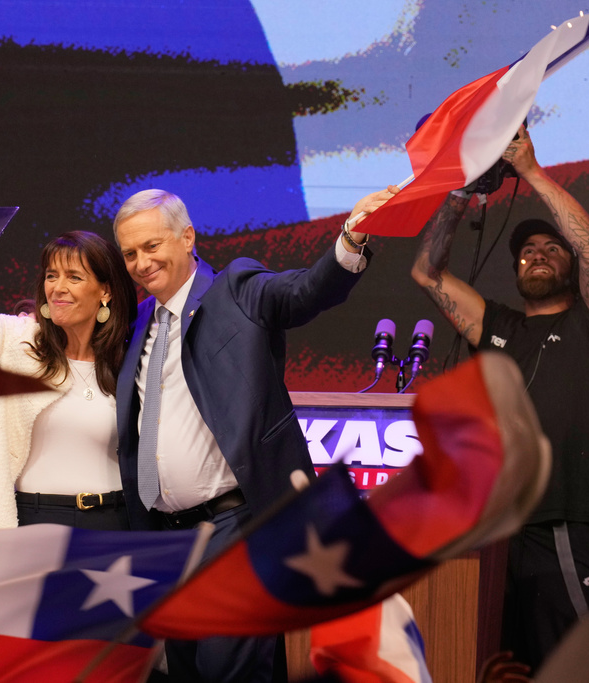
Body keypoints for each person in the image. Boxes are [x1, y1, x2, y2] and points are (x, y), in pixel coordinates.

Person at [113, 186, 394, 682]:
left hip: (236, 525)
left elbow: (305, 291)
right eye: (130, 253)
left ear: (187, 237)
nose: (141, 263)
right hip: (167, 539)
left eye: (151, 246)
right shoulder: (138, 326)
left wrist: (351, 237)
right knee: (188, 673)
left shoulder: (234, 290)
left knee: (229, 670)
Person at [411, 126, 589, 672]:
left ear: (570, 269)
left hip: (561, 522)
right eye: (528, 251)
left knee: (583, 667)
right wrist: (462, 190)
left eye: (552, 249)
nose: (538, 255)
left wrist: (530, 172)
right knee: (503, 667)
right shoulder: (499, 326)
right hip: (494, 534)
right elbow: (426, 273)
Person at [0, 230, 137, 529]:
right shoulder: (19, 341)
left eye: (74, 277)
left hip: (115, 523)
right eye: (52, 275)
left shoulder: (129, 357)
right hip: (36, 521)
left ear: (105, 292)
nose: (58, 288)